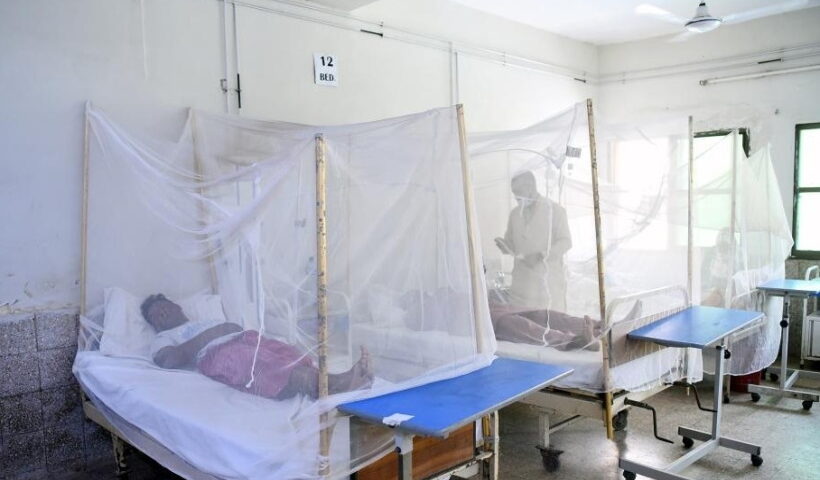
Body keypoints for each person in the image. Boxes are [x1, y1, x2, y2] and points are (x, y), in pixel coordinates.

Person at [141, 294, 373, 400]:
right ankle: (338, 384)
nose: (162, 313)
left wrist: (218, 330)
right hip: (217, 353)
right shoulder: (165, 337)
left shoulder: (206, 320)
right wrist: (213, 334)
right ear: (155, 326)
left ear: (178, 307)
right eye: (156, 315)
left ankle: (334, 380)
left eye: (165, 307)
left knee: (288, 353)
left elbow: (233, 326)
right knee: (265, 364)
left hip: (244, 337)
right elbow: (168, 360)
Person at [494, 170, 572, 311]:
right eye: (514, 192)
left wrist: (541, 255)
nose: (516, 196)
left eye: (519, 191)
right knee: (521, 321)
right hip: (521, 286)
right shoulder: (515, 214)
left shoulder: (555, 211)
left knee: (548, 321)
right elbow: (511, 243)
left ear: (531, 187)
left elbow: (566, 242)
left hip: (546, 286)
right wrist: (505, 246)